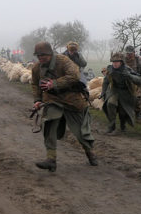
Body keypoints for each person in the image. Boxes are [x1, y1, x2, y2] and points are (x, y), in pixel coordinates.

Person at [30, 41, 97, 171]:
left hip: (72, 99)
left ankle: (90, 153)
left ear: (50, 54)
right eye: (38, 56)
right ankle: (51, 159)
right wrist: (37, 100)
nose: (40, 58)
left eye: (43, 55)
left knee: (80, 132)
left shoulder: (63, 60)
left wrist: (54, 84)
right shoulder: (37, 68)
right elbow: (35, 84)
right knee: (49, 125)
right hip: (52, 99)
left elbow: (74, 75)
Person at [102, 52, 141, 134]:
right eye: (113, 62)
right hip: (114, 90)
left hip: (126, 92)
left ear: (121, 62)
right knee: (110, 104)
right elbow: (105, 81)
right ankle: (111, 126)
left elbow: (139, 80)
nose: (115, 64)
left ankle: (123, 126)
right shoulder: (110, 69)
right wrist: (103, 92)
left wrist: (129, 76)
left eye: (117, 62)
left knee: (123, 110)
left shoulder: (127, 69)